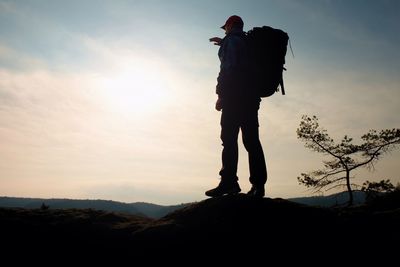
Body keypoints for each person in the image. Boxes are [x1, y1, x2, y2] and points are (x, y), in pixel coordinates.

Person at [205, 15, 267, 198]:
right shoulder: (247, 42)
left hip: (234, 99)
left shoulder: (231, 41)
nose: (224, 30)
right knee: (252, 142)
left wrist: (221, 95)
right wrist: (224, 42)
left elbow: (228, 69)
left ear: (231, 25)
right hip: (251, 100)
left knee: (229, 140)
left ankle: (229, 183)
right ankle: (258, 186)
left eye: (225, 28)